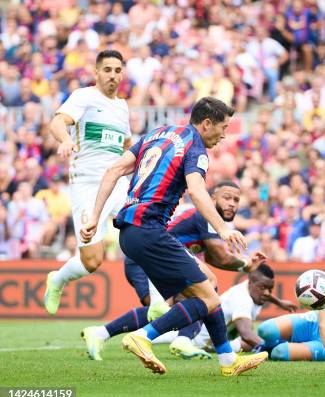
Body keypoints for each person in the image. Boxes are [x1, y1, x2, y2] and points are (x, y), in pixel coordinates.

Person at [80, 96, 268, 376]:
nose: (224, 135)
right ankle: (143, 337)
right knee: (209, 297)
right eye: (223, 127)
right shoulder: (196, 147)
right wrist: (224, 229)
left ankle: (228, 362)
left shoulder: (158, 134)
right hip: (151, 229)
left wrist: (95, 217)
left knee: (204, 293)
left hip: (129, 233)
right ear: (207, 124)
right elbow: (196, 191)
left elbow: (114, 170)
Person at [80, 180, 275, 360]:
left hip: (147, 255)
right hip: (147, 255)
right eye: (226, 197)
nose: (232, 203)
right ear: (212, 198)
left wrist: (245, 263)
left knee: (173, 307)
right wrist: (245, 264)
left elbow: (212, 257)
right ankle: (188, 342)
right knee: (203, 292)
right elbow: (220, 256)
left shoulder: (208, 219)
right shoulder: (204, 213)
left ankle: (100, 333)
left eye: (236, 200)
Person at [44, 50, 132, 315]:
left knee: (145, 229)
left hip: (117, 184)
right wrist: (66, 139)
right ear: (96, 73)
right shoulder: (84, 96)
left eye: (118, 70)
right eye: (107, 70)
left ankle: (157, 300)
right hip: (87, 185)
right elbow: (58, 122)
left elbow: (126, 143)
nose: (113, 76)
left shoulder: (123, 107)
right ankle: (57, 280)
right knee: (92, 261)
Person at [154, 264, 297, 355]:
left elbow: (264, 292)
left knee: (252, 342)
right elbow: (246, 334)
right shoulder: (242, 300)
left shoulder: (253, 289)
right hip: (197, 340)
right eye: (263, 288)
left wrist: (279, 302)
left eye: (270, 289)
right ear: (251, 282)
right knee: (252, 340)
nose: (266, 293)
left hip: (215, 340)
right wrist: (273, 349)